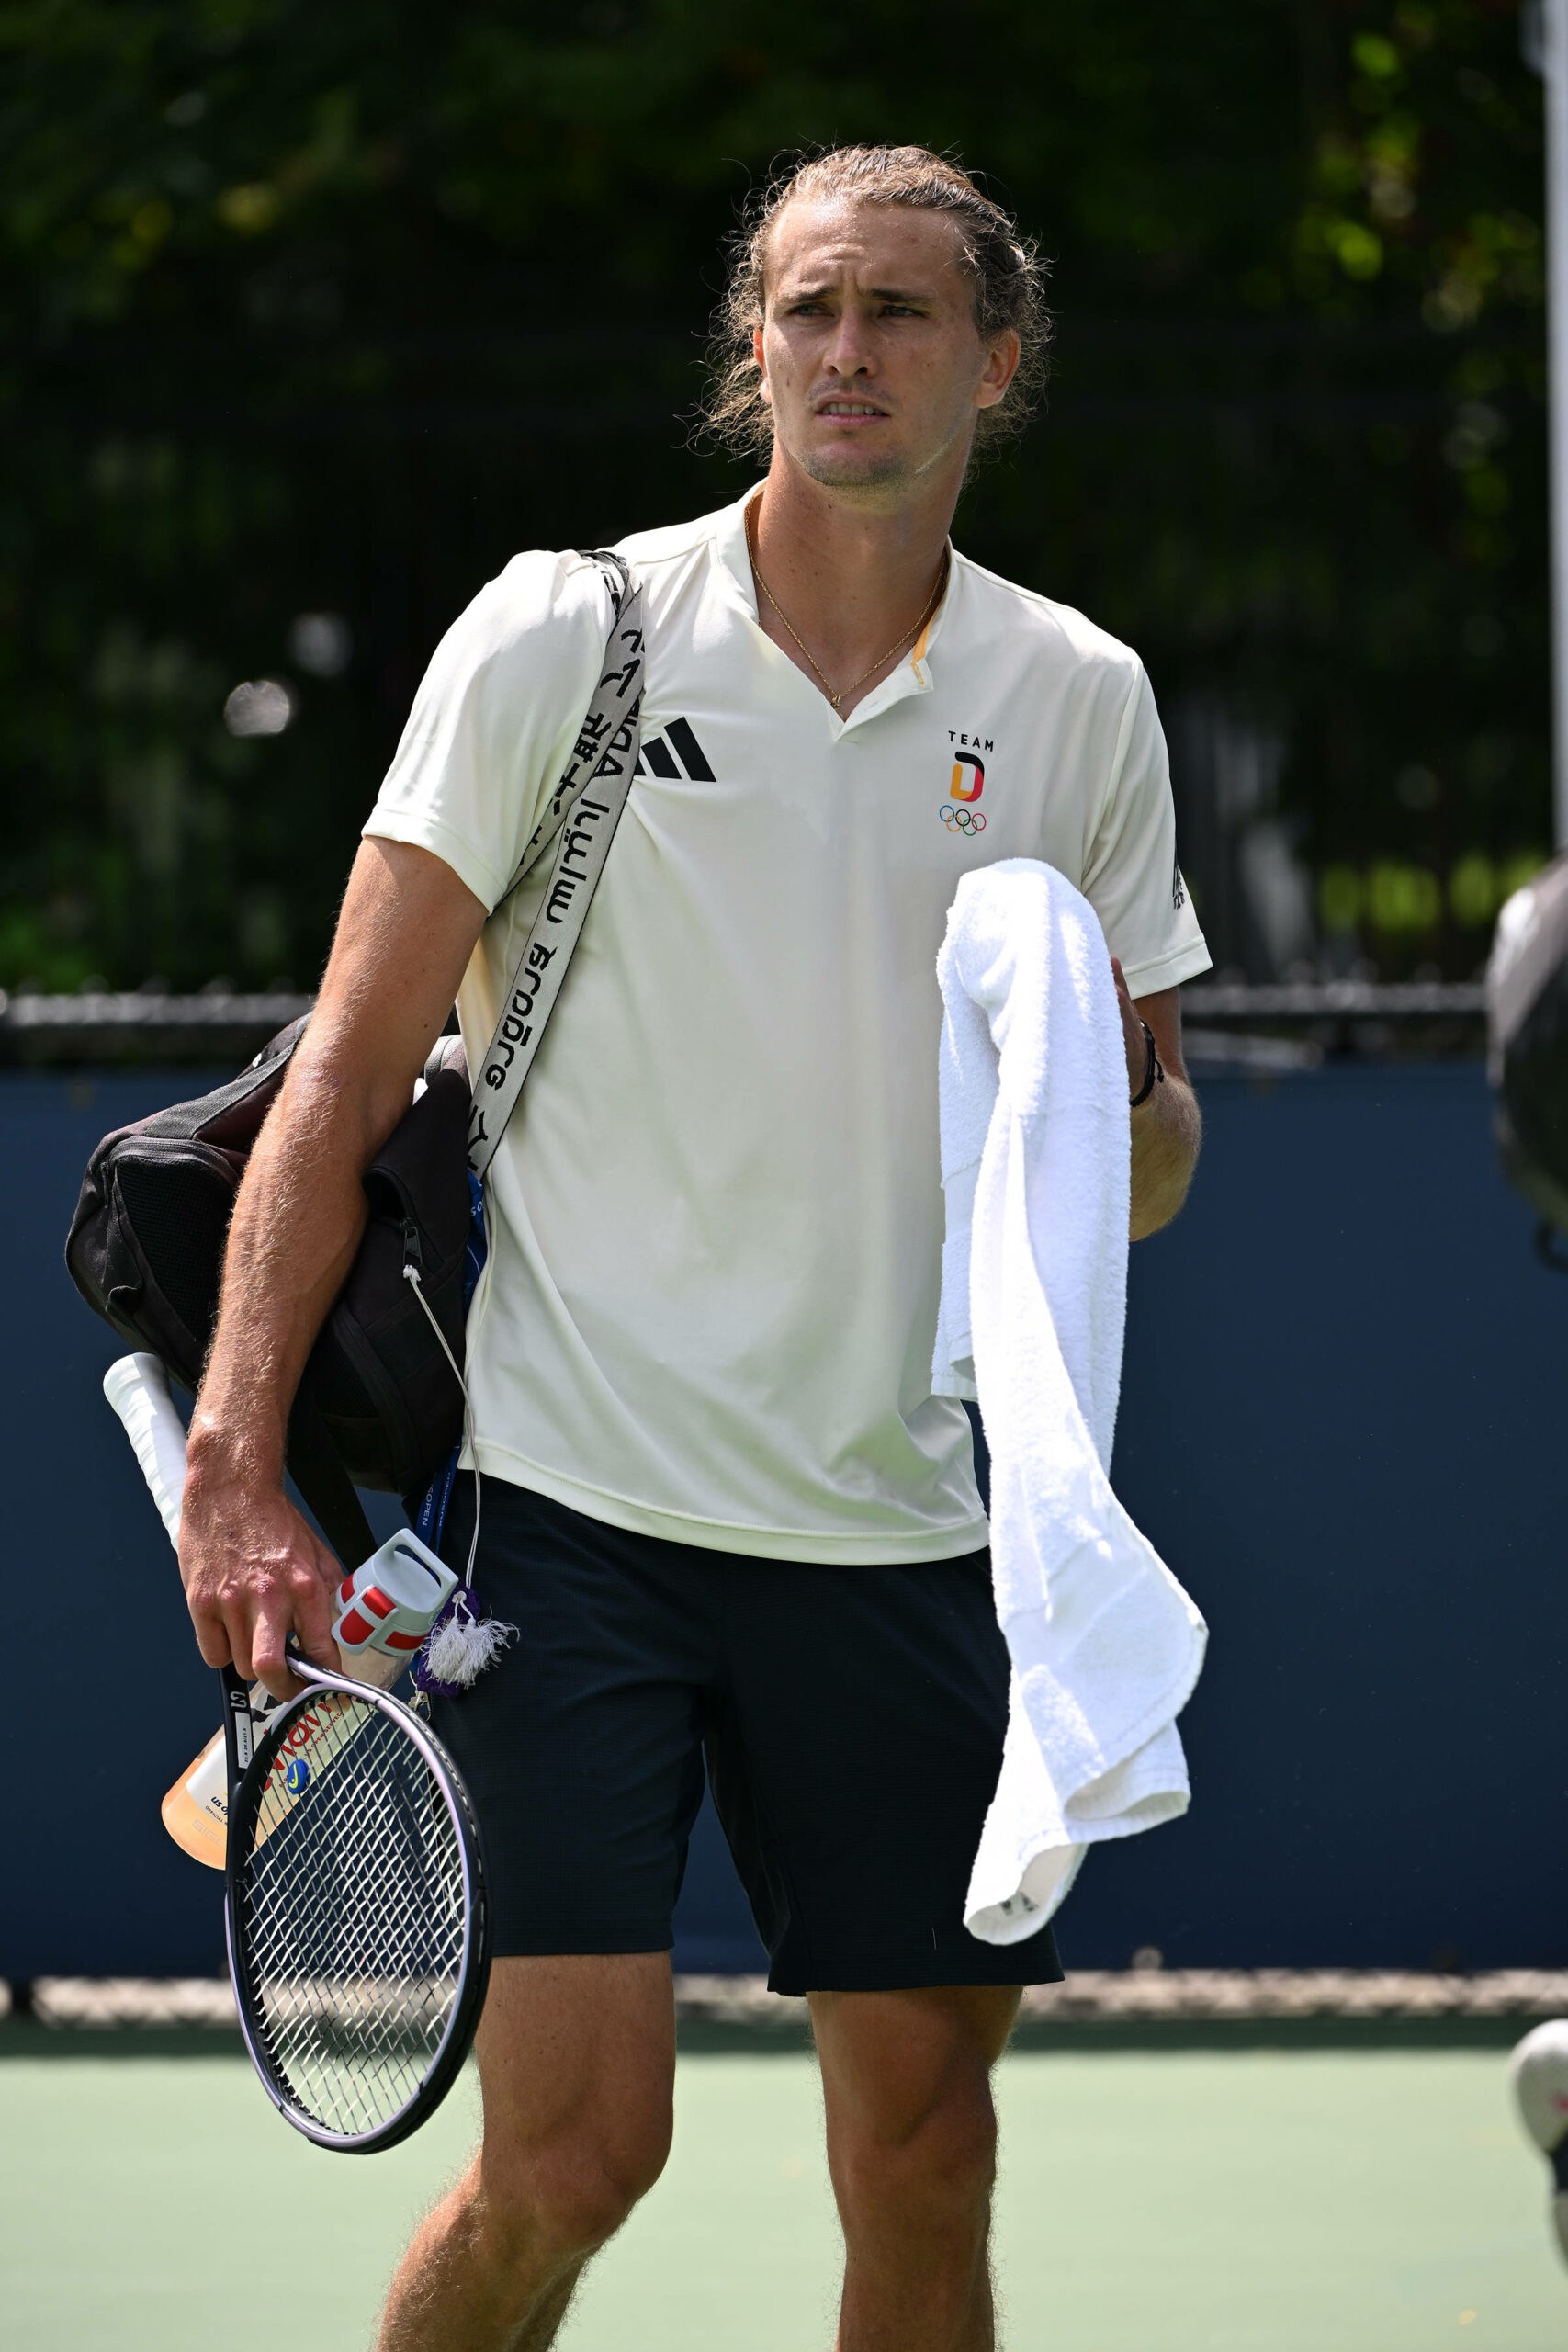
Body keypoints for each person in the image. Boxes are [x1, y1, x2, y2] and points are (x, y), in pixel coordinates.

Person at [178, 145, 1210, 2352]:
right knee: (572, 2158)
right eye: (809, 310)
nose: (849, 353)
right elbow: (342, 1083)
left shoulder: (1078, 699)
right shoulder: (569, 627)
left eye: (904, 314)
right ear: (751, 347)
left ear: (993, 364)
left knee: (927, 2160)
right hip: (575, 1533)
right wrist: (235, 1460)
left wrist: (1121, 1114)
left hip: (909, 1538)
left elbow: (1138, 1179)